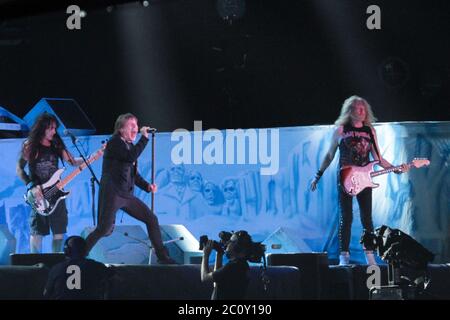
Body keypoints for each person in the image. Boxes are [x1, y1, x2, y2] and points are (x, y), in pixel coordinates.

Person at [310, 96, 409, 265]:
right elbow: (329, 155)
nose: (362, 111)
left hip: (364, 178)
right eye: (358, 108)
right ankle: (344, 256)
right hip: (345, 177)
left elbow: (378, 158)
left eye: (363, 108)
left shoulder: (370, 131)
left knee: (366, 218)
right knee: (346, 217)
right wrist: (318, 175)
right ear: (350, 111)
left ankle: (370, 255)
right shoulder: (341, 130)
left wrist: (396, 169)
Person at [84, 113, 175, 264]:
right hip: (113, 194)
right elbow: (130, 157)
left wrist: (147, 186)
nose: (136, 129)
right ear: (121, 129)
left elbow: (133, 173)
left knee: (151, 219)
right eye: (131, 126)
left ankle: (163, 257)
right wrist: (144, 138)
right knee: (104, 229)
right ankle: (79, 256)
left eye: (136, 126)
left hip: (126, 195)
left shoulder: (130, 145)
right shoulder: (114, 143)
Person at [16, 113, 86, 253]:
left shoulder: (56, 143)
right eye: (51, 128)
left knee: (59, 232)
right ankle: (36, 265)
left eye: (55, 128)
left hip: (57, 193)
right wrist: (31, 186)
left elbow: (72, 162)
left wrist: (89, 158)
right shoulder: (30, 145)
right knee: (37, 232)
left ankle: (56, 263)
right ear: (42, 128)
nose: (54, 131)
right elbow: (19, 169)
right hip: (39, 194)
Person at [43, 235, 115, 299]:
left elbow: (46, 294)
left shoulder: (56, 268)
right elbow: (114, 277)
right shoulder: (96, 266)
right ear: (85, 250)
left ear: (66, 251)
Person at [201, 230, 254, 300]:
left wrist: (205, 255)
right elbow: (217, 282)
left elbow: (204, 277)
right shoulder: (242, 265)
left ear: (237, 247)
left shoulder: (233, 266)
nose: (227, 244)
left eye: (230, 242)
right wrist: (219, 254)